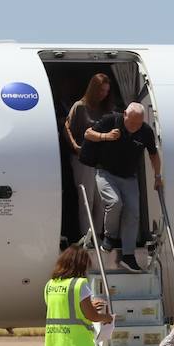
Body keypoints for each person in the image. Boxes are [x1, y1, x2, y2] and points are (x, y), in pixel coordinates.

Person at [83, 102, 162, 272]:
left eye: (138, 123)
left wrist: (157, 177)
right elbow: (88, 134)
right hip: (106, 173)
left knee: (133, 211)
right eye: (132, 122)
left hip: (129, 177)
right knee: (115, 202)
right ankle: (110, 237)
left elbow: (153, 155)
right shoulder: (111, 121)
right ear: (125, 114)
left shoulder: (145, 131)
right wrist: (105, 136)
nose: (134, 127)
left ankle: (128, 254)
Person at [63, 73, 114, 238]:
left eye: (106, 91)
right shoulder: (80, 106)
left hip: (101, 161)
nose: (103, 94)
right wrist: (75, 146)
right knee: (87, 199)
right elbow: (67, 128)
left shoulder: (106, 109)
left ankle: (97, 235)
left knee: (101, 200)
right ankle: (87, 237)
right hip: (83, 160)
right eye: (101, 90)